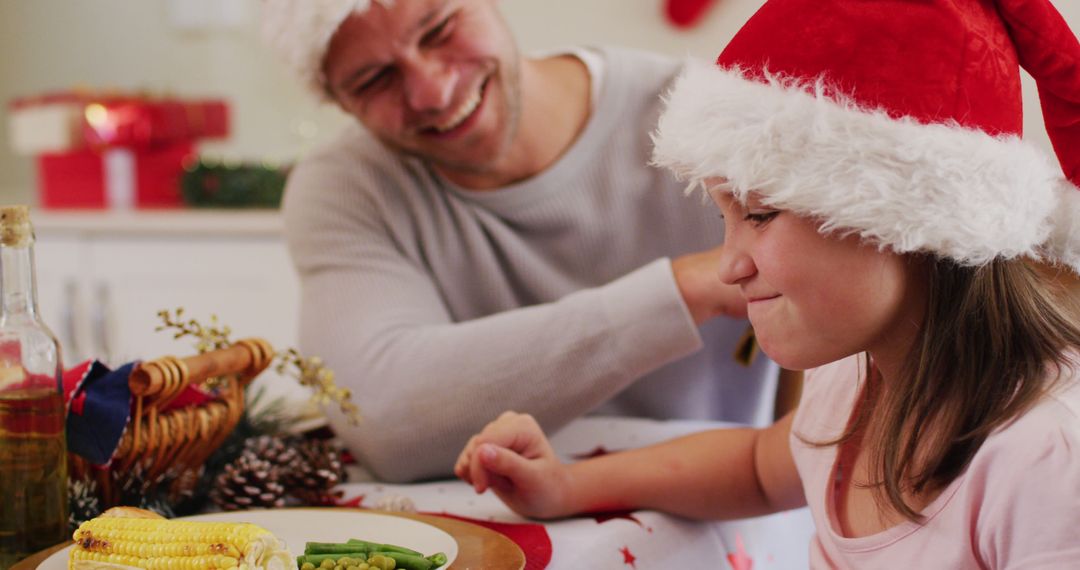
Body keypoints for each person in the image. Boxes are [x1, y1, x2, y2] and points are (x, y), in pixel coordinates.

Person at [455, 0, 1080, 566]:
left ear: (908, 218)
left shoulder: (1046, 462)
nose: (729, 266)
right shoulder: (855, 383)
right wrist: (565, 485)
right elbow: (756, 469)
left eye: (758, 215)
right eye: (727, 219)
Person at [260, 0, 783, 482]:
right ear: (339, 102)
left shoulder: (711, 122)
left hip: (720, 513)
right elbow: (382, 418)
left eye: (440, 29)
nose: (433, 93)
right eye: (375, 79)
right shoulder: (347, 187)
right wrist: (684, 290)